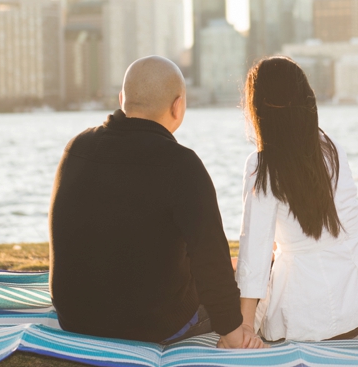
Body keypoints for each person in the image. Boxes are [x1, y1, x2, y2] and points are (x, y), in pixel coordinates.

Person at [49, 56, 261, 348]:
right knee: (258, 283)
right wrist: (233, 332)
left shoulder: (77, 147)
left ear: (122, 99)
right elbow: (209, 260)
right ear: (178, 106)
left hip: (75, 318)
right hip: (153, 325)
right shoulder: (181, 165)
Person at [234, 56, 358, 342]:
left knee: (233, 274)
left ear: (259, 111)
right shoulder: (331, 150)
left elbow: (255, 249)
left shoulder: (262, 166)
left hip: (303, 314)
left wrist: (245, 326)